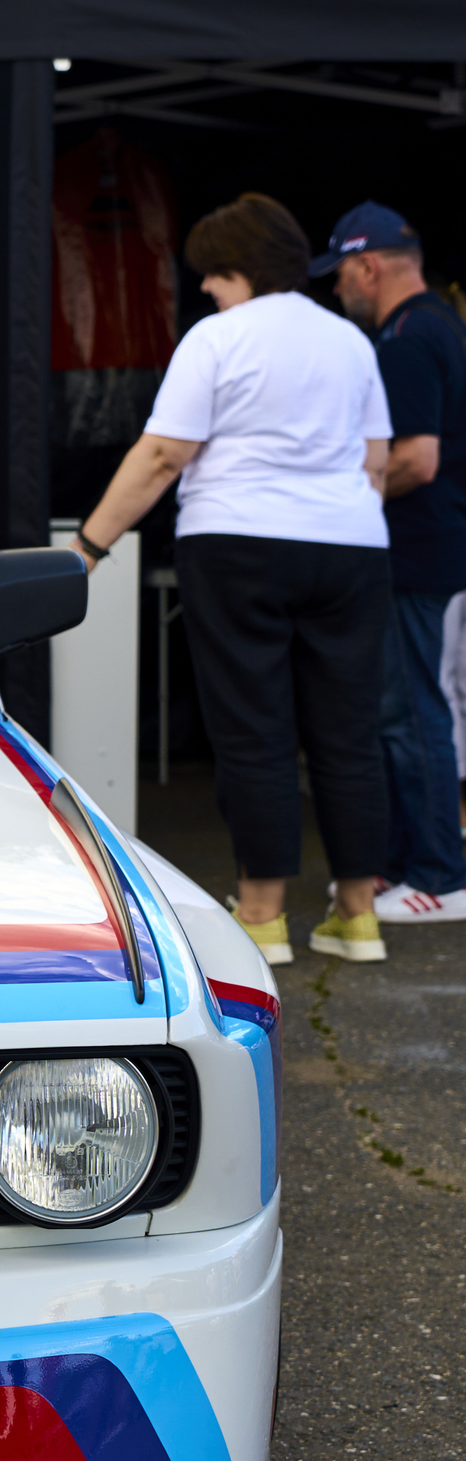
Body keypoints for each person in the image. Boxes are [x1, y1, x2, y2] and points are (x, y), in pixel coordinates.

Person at [71, 192, 391, 969]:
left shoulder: (217, 338)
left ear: (238, 267)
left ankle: (261, 918)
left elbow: (162, 455)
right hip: (350, 546)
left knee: (255, 730)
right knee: (349, 731)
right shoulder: (351, 340)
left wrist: (87, 546)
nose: (208, 288)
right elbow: (376, 460)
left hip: (238, 542)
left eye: (212, 273)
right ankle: (359, 918)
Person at [318, 200, 466, 924]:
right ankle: (407, 866)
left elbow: (416, 459)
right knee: (402, 710)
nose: (337, 286)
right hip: (428, 551)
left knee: (412, 712)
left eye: (341, 271)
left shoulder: (407, 337)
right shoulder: (436, 324)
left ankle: (441, 877)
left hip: (417, 554)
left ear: (368, 265)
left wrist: (345, 500)